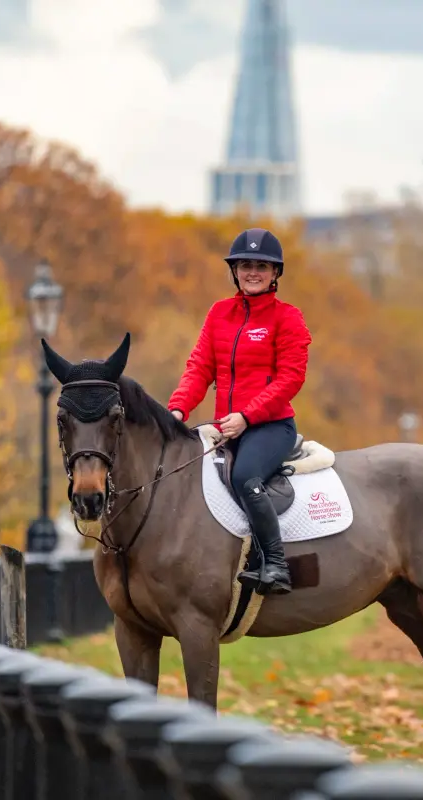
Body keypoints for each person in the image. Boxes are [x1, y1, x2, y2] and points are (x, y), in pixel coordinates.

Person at [167, 228, 312, 595]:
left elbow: (291, 378)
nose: (253, 272)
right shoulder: (219, 314)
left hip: (269, 426)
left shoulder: (288, 318)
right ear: (235, 270)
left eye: (261, 266)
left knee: (245, 476)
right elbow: (200, 367)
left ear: (275, 273)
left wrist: (247, 416)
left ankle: (275, 565)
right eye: (246, 265)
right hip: (225, 427)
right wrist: (178, 409)